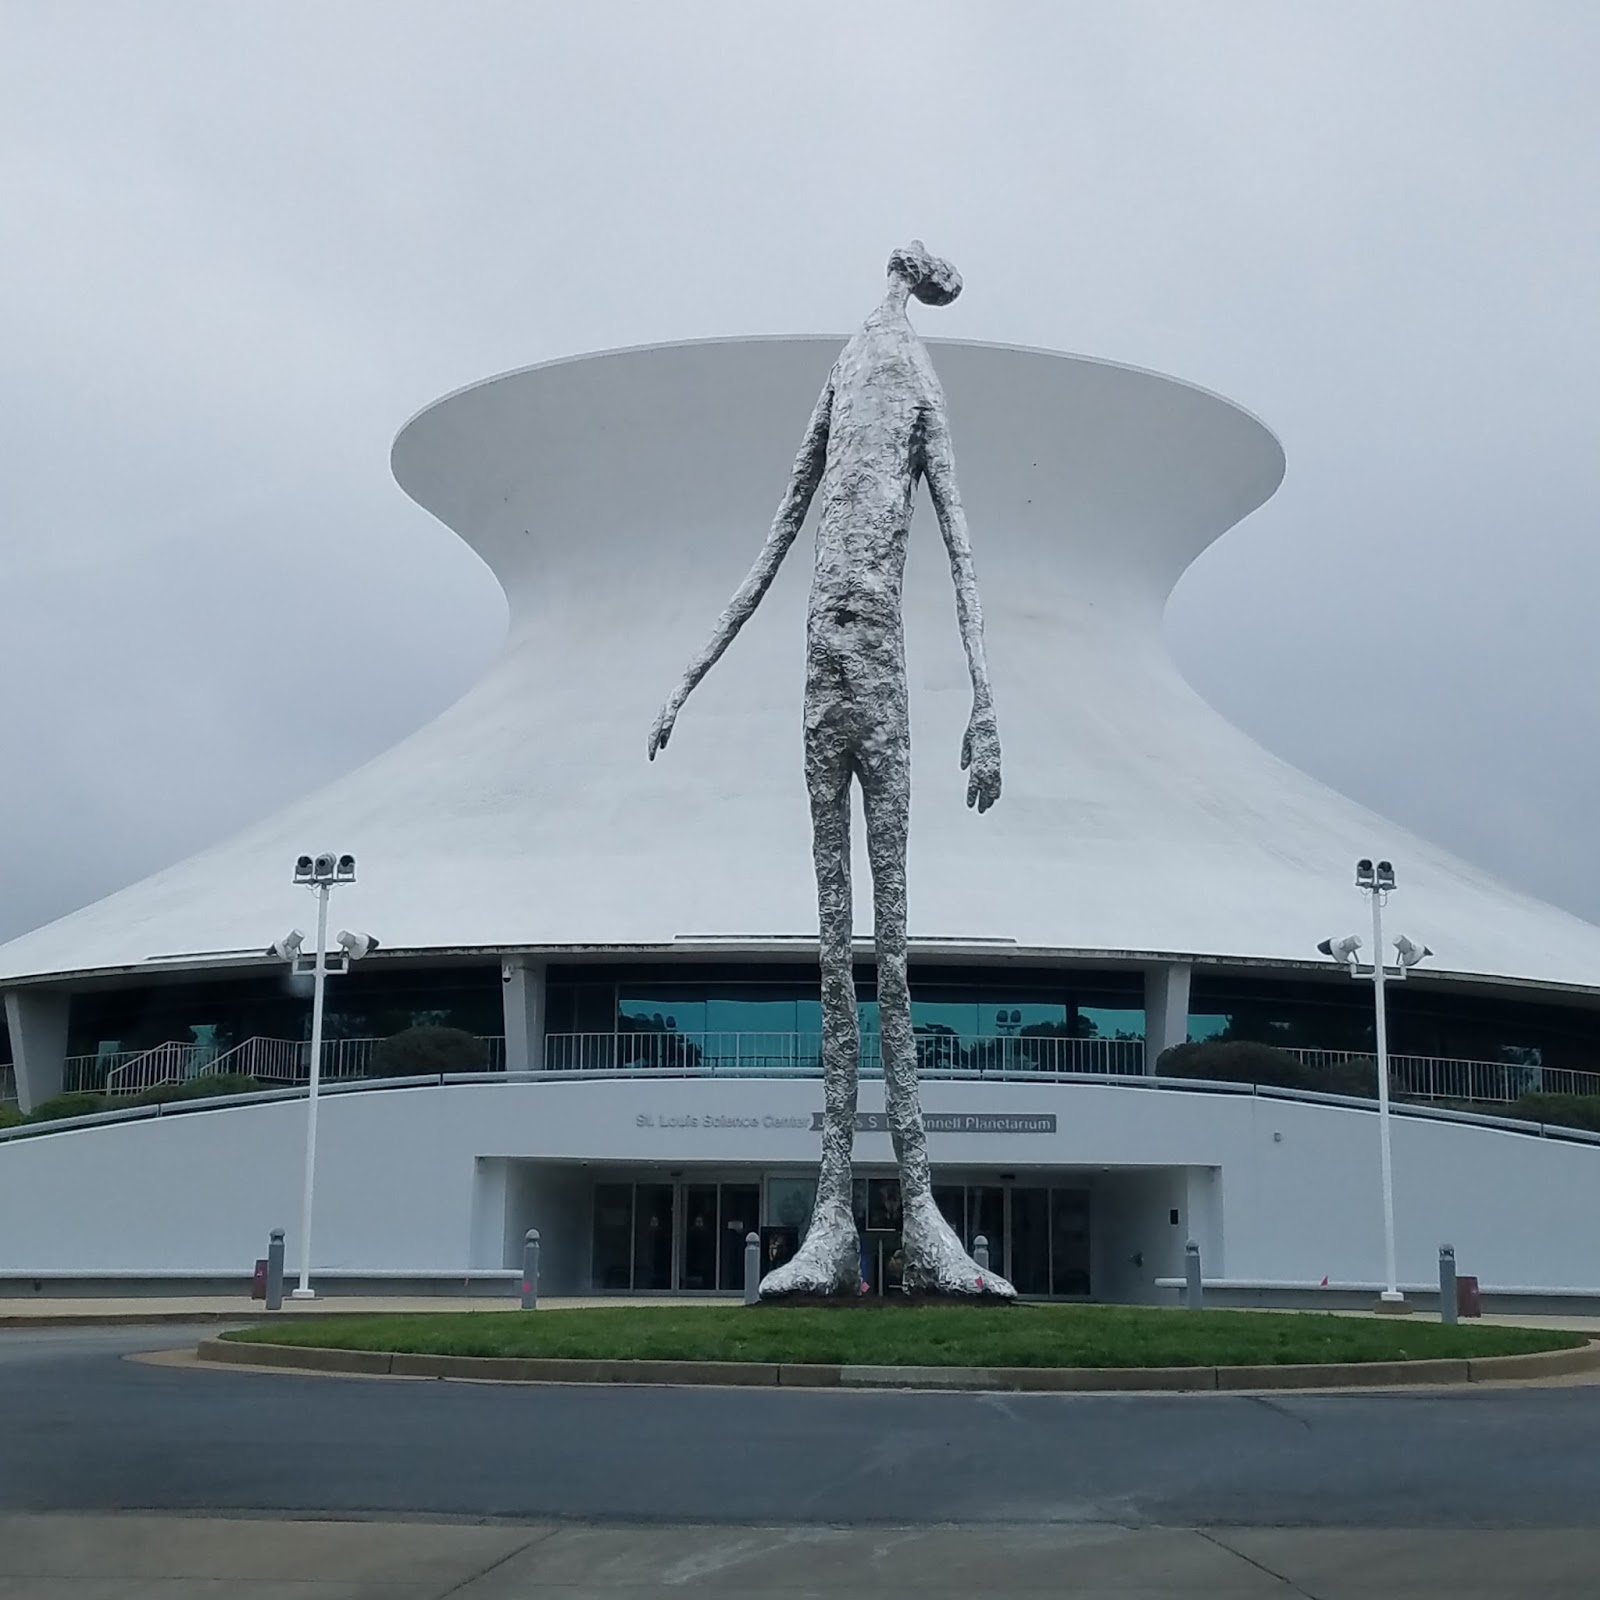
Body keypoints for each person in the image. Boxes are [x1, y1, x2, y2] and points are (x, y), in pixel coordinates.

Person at [650, 242, 1015, 1298]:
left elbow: (958, 548)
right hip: (826, 686)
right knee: (836, 960)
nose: (906, 289)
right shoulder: (853, 371)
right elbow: (775, 542)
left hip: (876, 692)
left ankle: (919, 1224)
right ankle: (830, 1217)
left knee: (885, 958)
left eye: (913, 278)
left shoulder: (908, 385)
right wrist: (687, 676)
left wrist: (987, 706)